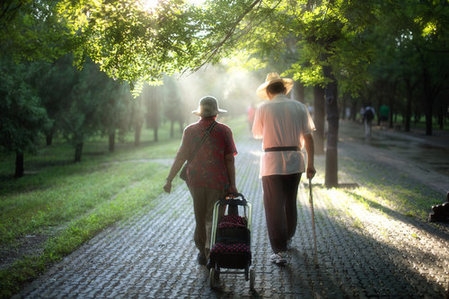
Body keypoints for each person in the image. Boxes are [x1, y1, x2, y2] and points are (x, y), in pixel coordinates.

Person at [163, 96, 238, 266]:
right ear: (216, 114)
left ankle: (202, 253)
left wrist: (169, 179)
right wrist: (232, 184)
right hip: (218, 181)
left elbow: (181, 156)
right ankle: (211, 252)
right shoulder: (225, 131)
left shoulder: (189, 131)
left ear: (200, 113)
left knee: (200, 216)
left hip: (195, 180)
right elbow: (229, 160)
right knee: (213, 217)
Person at [252, 72, 316, 265]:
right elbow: (309, 138)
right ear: (283, 89)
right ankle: (287, 237)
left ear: (269, 92)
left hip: (272, 162)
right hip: (295, 162)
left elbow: (257, 134)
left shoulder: (263, 108)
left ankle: (278, 250)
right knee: (290, 202)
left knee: (273, 206)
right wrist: (311, 163)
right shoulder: (299, 107)